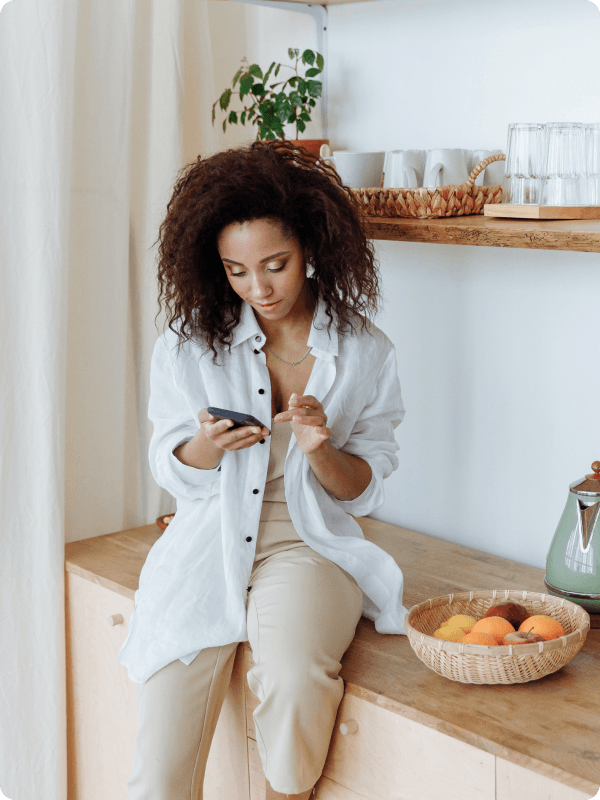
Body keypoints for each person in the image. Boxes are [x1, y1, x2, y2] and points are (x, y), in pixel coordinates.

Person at [117, 140, 408, 800]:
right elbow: (175, 471)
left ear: (311, 248)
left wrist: (319, 448)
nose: (259, 288)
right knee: (159, 770)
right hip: (204, 544)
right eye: (236, 271)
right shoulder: (188, 345)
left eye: (275, 265)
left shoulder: (365, 353)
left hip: (307, 545)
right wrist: (208, 445)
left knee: (296, 679)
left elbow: (366, 488)